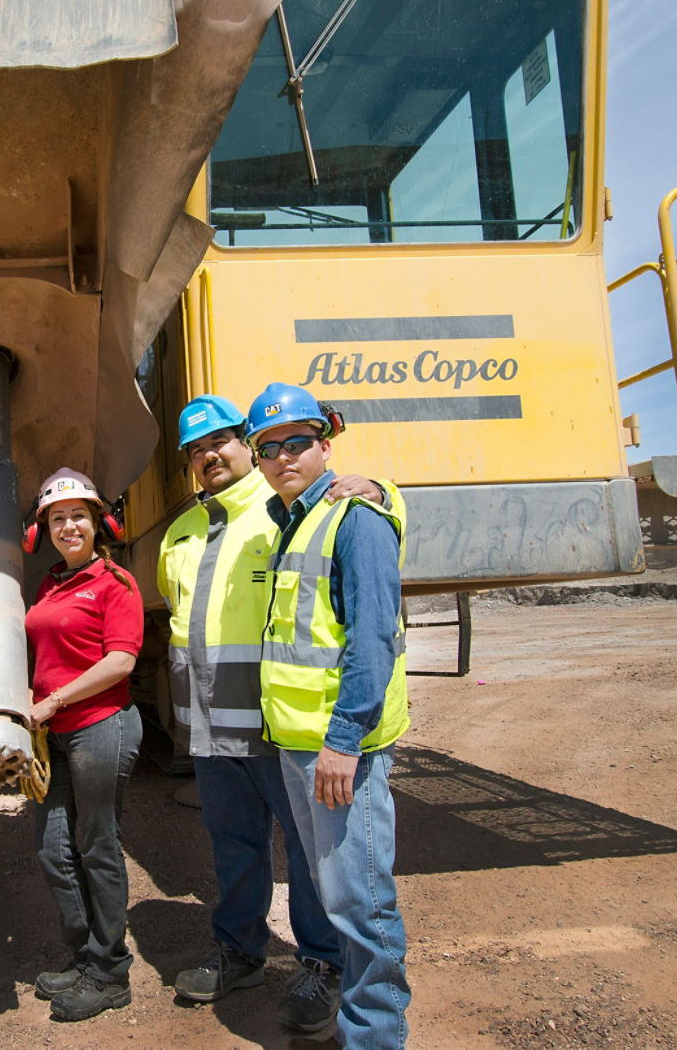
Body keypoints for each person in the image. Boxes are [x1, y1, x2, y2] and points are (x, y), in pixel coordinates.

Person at [159, 394, 392, 1033]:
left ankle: (321, 964)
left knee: (310, 851)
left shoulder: (284, 513)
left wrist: (381, 489)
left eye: (223, 442)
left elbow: (364, 527)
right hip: (211, 729)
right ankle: (239, 949)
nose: (210, 456)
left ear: (245, 444)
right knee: (232, 847)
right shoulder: (181, 531)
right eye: (196, 451)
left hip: (273, 721)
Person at [245, 383, 411, 1048]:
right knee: (334, 892)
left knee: (361, 902)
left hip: (339, 751)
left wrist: (345, 740)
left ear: (325, 445)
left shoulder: (355, 519)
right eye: (268, 447)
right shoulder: (292, 523)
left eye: (297, 442)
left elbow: (373, 640)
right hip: (297, 745)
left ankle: (375, 1035)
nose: (283, 456)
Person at [22, 468, 145, 1022]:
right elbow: (46, 658)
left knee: (96, 844)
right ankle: (84, 954)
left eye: (78, 516)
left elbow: (120, 661)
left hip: (100, 725)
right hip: (56, 732)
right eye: (57, 518)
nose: (68, 525)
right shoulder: (51, 583)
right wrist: (29, 699)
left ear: (99, 523)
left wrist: (52, 702)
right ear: (43, 528)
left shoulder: (115, 583)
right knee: (54, 848)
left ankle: (110, 970)